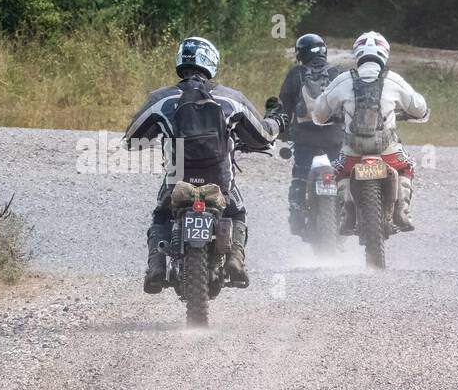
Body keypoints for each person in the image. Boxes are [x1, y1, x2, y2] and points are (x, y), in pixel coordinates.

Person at [125, 37, 284, 293]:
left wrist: (159, 135)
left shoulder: (161, 99)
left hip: (177, 181)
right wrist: (277, 120)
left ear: (180, 61)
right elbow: (264, 135)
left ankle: (156, 265)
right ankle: (235, 258)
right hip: (220, 182)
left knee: (161, 214)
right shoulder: (231, 99)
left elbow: (132, 140)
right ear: (211, 62)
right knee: (237, 212)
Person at [307, 31, 429, 230]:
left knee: (338, 170)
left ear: (357, 53)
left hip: (353, 152)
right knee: (408, 165)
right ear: (385, 53)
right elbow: (419, 107)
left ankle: (347, 213)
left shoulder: (343, 80)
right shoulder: (393, 79)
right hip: (387, 151)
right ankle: (402, 210)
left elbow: (319, 113)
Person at [277, 32, 344, 233]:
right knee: (340, 173)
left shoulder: (295, 74)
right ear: (324, 51)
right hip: (334, 137)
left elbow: (284, 107)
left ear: (300, 53)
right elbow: (349, 105)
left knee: (301, 172)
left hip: (304, 138)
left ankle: (297, 212)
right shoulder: (337, 74)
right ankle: (347, 211)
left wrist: (281, 131)